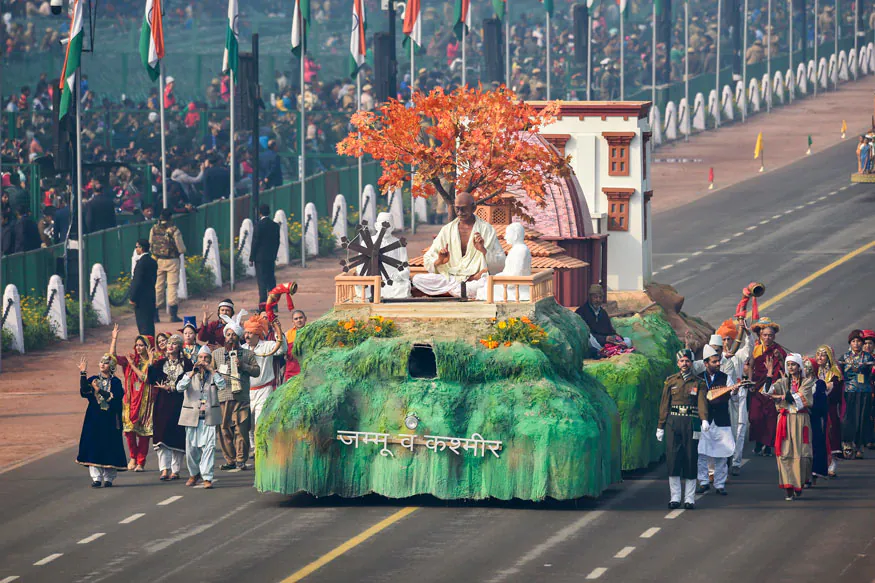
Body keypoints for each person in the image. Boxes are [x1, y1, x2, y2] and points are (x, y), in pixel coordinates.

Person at [411, 192, 505, 298]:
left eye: (464, 209)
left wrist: (483, 250)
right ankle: (457, 291)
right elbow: (428, 257)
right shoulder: (447, 230)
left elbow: (500, 262)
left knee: (485, 282)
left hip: (476, 279)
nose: (460, 213)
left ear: (473, 208)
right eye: (457, 209)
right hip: (452, 278)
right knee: (417, 279)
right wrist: (439, 261)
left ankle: (446, 292)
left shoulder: (486, 229)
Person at [657, 349, 708, 510]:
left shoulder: (698, 383)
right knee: (673, 459)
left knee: (690, 458)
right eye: (682, 361)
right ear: (677, 363)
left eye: (687, 361)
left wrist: (704, 419)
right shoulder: (671, 381)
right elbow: (664, 404)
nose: (684, 364)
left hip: (691, 423)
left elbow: (701, 403)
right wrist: (661, 426)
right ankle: (675, 497)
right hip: (673, 423)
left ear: (691, 363)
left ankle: (689, 498)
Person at [212, 312, 260, 471]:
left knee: (241, 429)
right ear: (225, 336)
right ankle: (230, 459)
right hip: (223, 397)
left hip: (241, 397)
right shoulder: (217, 354)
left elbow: (256, 371)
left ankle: (241, 459)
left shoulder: (247, 354)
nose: (231, 337)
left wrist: (243, 366)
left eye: (234, 335)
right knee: (224, 430)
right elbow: (209, 372)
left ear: (239, 337)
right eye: (228, 334)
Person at [767, 353, 814, 501]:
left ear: (799, 366)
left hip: (800, 420)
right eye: (788, 365)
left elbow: (801, 399)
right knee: (785, 453)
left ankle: (798, 483)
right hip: (785, 420)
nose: (791, 367)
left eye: (793, 364)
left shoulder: (807, 381)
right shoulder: (783, 381)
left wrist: (782, 397)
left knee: (802, 453)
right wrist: (769, 375)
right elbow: (768, 391)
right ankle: (788, 486)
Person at [76, 355, 127, 488]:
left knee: (109, 446)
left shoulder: (116, 382)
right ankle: (96, 478)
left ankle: (108, 478)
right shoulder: (93, 379)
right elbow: (85, 391)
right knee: (93, 445)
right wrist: (83, 373)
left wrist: (98, 390)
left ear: (111, 366)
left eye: (106, 363)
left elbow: (114, 398)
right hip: (94, 418)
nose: (102, 364)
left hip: (110, 419)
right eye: (101, 362)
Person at [176, 345, 223, 489]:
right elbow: (179, 388)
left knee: (209, 447)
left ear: (210, 360)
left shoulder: (215, 375)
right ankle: (194, 474)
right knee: (191, 450)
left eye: (206, 358)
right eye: (201, 358)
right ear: (197, 359)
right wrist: (191, 374)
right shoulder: (188, 375)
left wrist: (212, 371)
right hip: (192, 417)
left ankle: (207, 477)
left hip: (208, 417)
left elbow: (222, 385)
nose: (203, 361)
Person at [110, 324, 155, 471]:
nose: (138, 348)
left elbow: (145, 378)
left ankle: (141, 461)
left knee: (143, 434)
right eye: (137, 345)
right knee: (129, 432)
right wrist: (114, 339)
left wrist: (132, 365)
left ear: (148, 347)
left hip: (146, 402)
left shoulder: (152, 363)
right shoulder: (130, 360)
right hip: (129, 402)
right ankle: (133, 457)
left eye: (142, 345)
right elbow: (113, 358)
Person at [148, 334, 191, 480]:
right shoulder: (160, 364)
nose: (170, 346)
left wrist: (172, 387)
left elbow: (191, 381)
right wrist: (149, 362)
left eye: (173, 344)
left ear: (179, 346)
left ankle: (175, 470)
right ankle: (164, 469)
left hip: (178, 403)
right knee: (161, 436)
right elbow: (151, 379)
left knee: (177, 435)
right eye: (168, 344)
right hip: (162, 403)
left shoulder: (186, 364)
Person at [242, 313, 286, 452]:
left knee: (260, 420)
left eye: (251, 333)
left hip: (264, 389)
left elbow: (282, 349)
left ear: (257, 334)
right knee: (248, 422)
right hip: (247, 391)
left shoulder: (267, 346)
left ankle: (260, 448)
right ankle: (252, 446)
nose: (247, 336)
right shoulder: (242, 348)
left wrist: (278, 331)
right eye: (246, 333)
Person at [695, 345, 735, 495]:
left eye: (718, 361)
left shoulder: (726, 377)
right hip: (704, 421)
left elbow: (734, 395)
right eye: (714, 362)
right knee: (702, 453)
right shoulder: (698, 378)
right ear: (706, 363)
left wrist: (735, 391)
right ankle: (704, 482)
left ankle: (719, 484)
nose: (718, 364)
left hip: (721, 420)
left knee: (722, 454)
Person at [748, 317, 788, 457]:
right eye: (765, 335)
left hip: (772, 389)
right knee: (755, 417)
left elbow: (786, 369)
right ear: (760, 335)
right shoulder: (757, 349)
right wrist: (750, 381)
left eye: (770, 335)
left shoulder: (778, 350)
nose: (767, 338)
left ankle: (769, 446)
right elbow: (752, 366)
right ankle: (759, 442)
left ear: (774, 336)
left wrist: (781, 359)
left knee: (771, 418)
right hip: (758, 387)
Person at [839, 329, 875, 460]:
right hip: (849, 391)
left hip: (864, 391)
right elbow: (839, 373)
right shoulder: (844, 357)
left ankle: (860, 446)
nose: (856, 344)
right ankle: (849, 445)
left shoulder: (868, 357)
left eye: (859, 341)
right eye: (854, 341)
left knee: (862, 419)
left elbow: (871, 373)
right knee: (849, 419)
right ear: (850, 343)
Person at [149, 209, 186, 323]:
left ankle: (155, 315)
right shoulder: (174, 230)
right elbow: (181, 248)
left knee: (158, 287)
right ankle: (173, 314)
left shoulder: (154, 229)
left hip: (158, 260)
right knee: (172, 286)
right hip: (172, 261)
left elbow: (151, 245)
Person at [815, 345, 843, 477]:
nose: (819, 357)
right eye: (818, 355)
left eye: (823, 355)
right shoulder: (815, 370)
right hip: (817, 407)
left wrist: (826, 387)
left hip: (830, 407)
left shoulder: (834, 372)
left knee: (832, 433)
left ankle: (833, 464)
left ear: (829, 357)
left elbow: (835, 391)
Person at [577, 283, 624, 357]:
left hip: (604, 343)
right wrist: (604, 339)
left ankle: (606, 351)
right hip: (591, 343)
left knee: (627, 341)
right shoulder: (581, 311)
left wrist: (618, 338)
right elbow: (583, 334)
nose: (598, 300)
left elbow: (610, 330)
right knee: (590, 340)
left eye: (600, 297)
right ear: (590, 297)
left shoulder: (603, 313)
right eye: (595, 297)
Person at [805, 357, 829, 487]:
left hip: (814, 419)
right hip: (800, 420)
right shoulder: (797, 383)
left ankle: (813, 473)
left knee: (814, 446)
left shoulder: (819, 384)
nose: (806, 369)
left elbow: (822, 405)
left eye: (809, 366)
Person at [250, 204, 280, 305]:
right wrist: (274, 255)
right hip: (271, 258)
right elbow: (277, 242)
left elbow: (255, 242)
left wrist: (251, 257)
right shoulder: (275, 226)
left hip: (260, 259)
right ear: (269, 212)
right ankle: (273, 304)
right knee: (271, 281)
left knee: (262, 282)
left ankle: (263, 305)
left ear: (260, 213)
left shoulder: (258, 225)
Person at [129, 238, 158, 336]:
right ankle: (151, 347)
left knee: (143, 325)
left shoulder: (140, 263)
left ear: (141, 248)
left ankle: (146, 347)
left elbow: (137, 282)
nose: (136, 249)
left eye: (137, 247)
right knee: (150, 324)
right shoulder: (153, 262)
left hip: (141, 299)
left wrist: (132, 297)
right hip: (151, 296)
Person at [283, 309, 307, 382]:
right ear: (293, 321)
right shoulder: (287, 334)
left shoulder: (311, 332)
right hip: (291, 370)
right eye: (296, 319)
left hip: (307, 370)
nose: (299, 320)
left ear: (305, 319)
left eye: (301, 318)